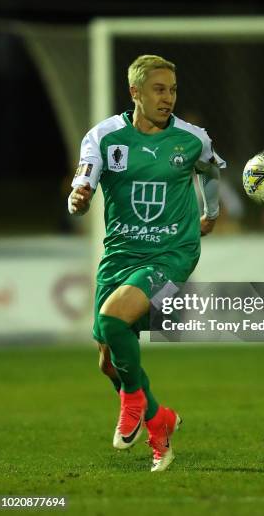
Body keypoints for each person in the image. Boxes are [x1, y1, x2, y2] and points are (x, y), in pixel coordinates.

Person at [68, 55, 225, 472]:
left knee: (113, 321)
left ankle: (136, 403)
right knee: (106, 359)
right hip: (120, 254)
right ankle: (160, 419)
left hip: (172, 252)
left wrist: (210, 212)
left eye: (172, 90)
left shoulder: (192, 139)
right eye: (159, 89)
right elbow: (82, 182)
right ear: (135, 93)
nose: (168, 98)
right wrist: (77, 198)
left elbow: (210, 172)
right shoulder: (104, 136)